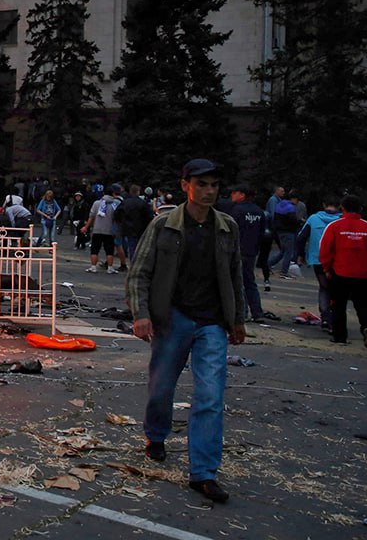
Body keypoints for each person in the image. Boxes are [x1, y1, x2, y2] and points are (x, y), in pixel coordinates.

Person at [126, 158, 244, 503]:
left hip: (212, 323)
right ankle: (156, 435)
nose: (209, 191)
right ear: (185, 186)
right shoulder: (164, 225)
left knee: (211, 395)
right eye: (201, 184)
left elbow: (236, 274)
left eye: (214, 185)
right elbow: (139, 272)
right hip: (173, 318)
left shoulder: (227, 227)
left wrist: (238, 319)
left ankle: (204, 473)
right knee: (161, 388)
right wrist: (141, 313)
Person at [319, 193, 367, 348]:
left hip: (340, 272)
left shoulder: (334, 226)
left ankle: (339, 336)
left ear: (342, 208)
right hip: (363, 273)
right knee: (363, 304)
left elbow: (325, 250)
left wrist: (327, 268)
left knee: (338, 305)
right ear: (360, 209)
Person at [223, 185, 274, 323]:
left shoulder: (236, 210)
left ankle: (242, 312)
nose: (232, 195)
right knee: (250, 282)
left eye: (234, 192)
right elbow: (262, 234)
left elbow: (230, 231)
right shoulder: (259, 212)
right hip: (251, 252)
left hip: (237, 251)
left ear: (242, 194)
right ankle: (257, 312)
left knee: (237, 282)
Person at [296, 195, 342, 330]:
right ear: (339, 206)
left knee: (324, 287)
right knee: (336, 289)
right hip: (337, 260)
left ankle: (326, 317)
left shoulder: (313, 218)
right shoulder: (341, 220)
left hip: (318, 259)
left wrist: (301, 255)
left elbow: (301, 238)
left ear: (323, 204)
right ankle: (335, 317)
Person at [83, 185, 122, 273]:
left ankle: (93, 267)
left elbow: (91, 216)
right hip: (109, 230)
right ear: (113, 193)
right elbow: (117, 217)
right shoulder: (115, 204)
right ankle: (110, 268)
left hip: (97, 229)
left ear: (103, 193)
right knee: (109, 250)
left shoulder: (97, 203)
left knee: (95, 249)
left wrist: (86, 227)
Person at [270, 191, 302, 278]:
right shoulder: (290, 207)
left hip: (280, 231)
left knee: (283, 251)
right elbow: (293, 220)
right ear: (294, 199)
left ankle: (269, 264)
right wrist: (300, 222)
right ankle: (284, 271)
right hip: (289, 232)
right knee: (288, 252)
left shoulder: (279, 204)